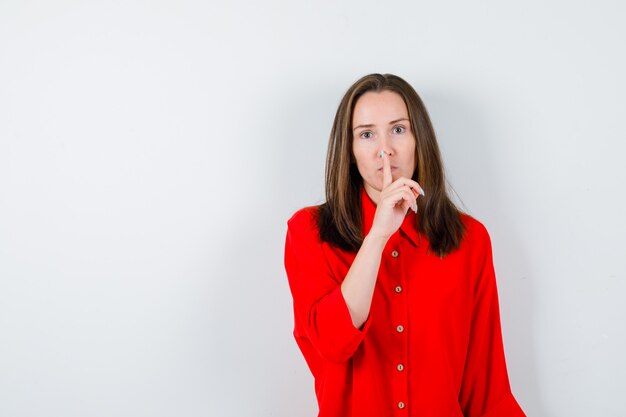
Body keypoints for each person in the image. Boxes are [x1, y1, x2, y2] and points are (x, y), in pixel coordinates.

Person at [284, 73, 526, 417]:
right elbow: (331, 344)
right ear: (350, 151)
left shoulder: (470, 240)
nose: (386, 149)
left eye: (398, 129)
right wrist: (378, 235)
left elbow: (486, 387)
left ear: (419, 140)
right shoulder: (308, 232)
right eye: (366, 134)